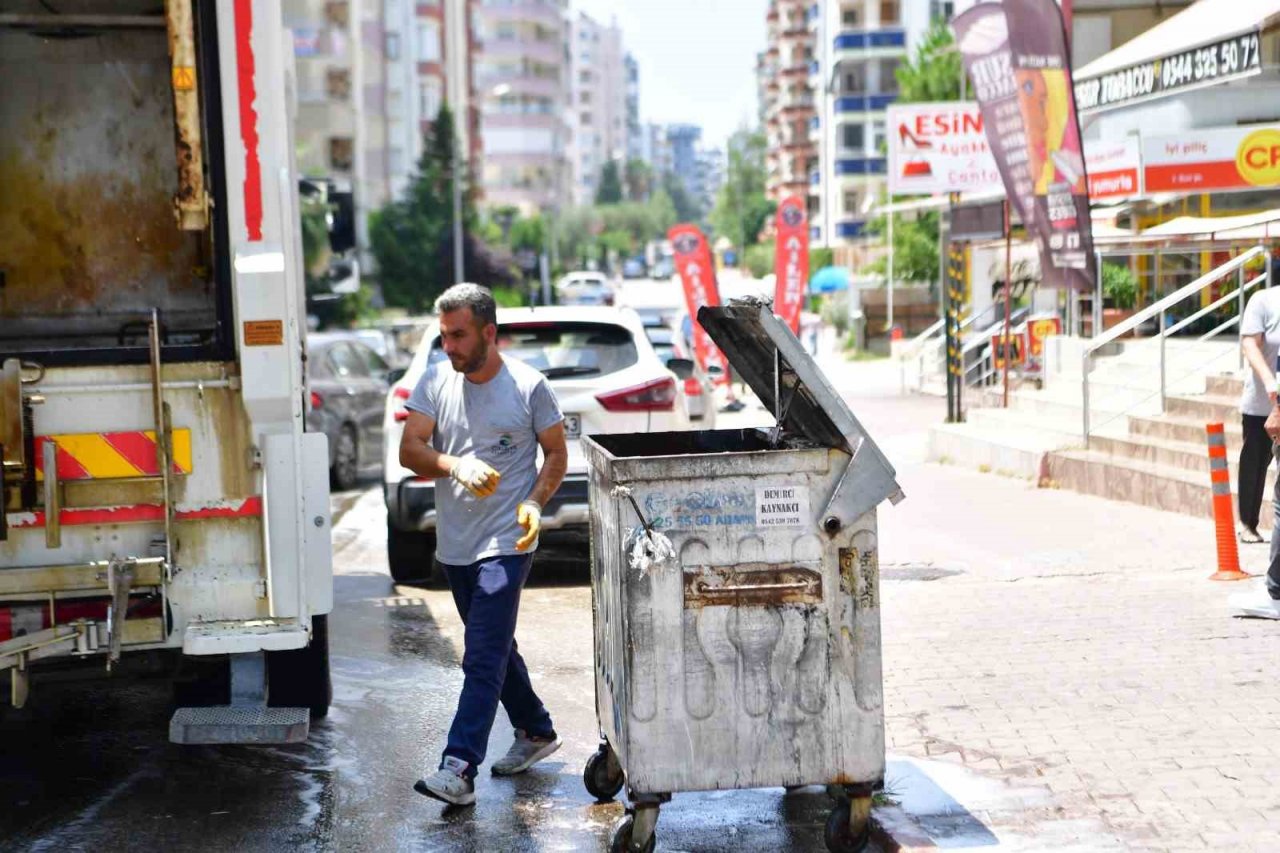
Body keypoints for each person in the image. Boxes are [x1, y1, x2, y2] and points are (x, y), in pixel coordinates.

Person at [400, 283, 568, 806]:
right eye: (444, 336)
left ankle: (459, 767)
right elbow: (410, 449)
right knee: (495, 647)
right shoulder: (435, 381)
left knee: (480, 654)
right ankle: (536, 730)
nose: (448, 346)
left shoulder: (529, 386)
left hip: (507, 539)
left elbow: (556, 454)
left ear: (488, 332)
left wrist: (535, 502)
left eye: (458, 335)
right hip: (457, 543)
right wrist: (454, 465)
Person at [1238, 281, 1280, 543]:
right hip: (1262, 405)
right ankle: (1248, 523)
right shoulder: (1263, 300)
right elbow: (1249, 345)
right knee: (1255, 464)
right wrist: (1268, 380)